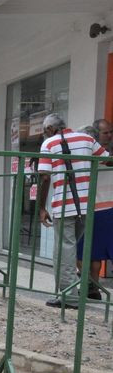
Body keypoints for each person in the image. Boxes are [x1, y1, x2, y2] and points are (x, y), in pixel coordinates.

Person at [37, 114, 110, 308]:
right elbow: (107, 160)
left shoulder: (49, 144)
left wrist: (42, 208)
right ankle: (76, 289)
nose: (45, 134)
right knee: (68, 248)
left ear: (50, 129)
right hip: (86, 205)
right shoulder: (86, 139)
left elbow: (44, 178)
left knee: (65, 249)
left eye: (45, 131)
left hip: (63, 205)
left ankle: (70, 296)